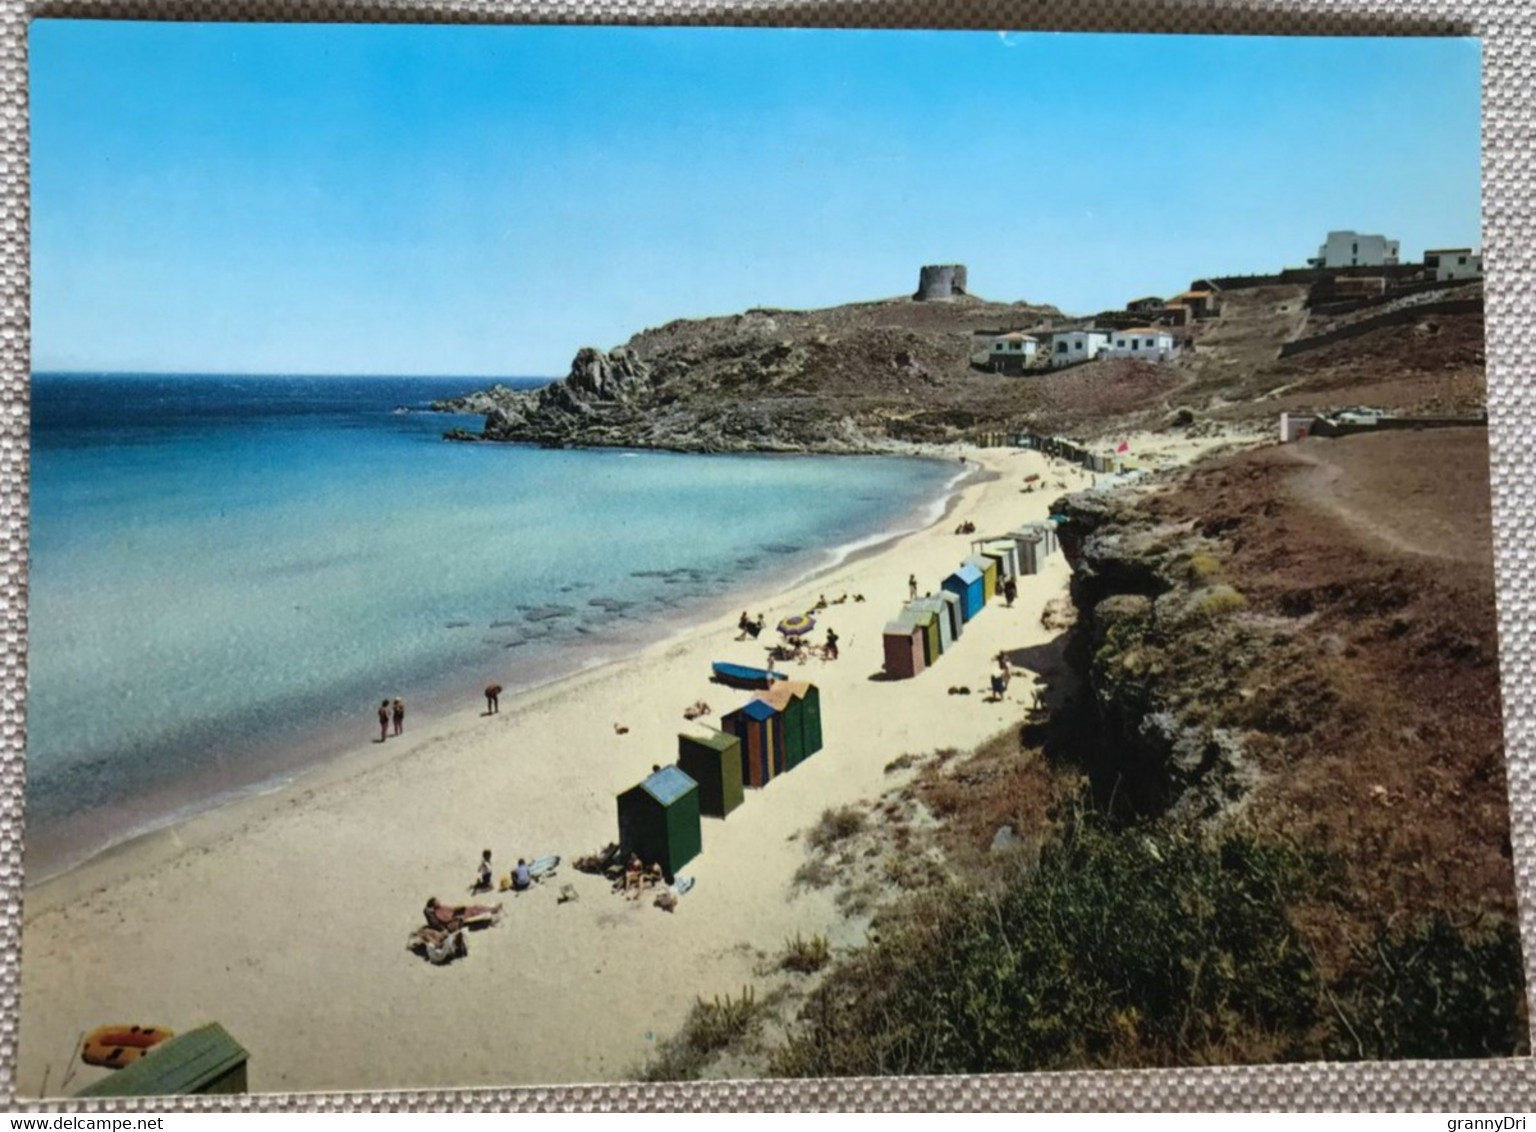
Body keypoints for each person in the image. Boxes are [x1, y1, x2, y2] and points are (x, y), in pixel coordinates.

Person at [424, 896, 501, 932]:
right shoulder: (438, 912)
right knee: (474, 912)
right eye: (437, 901)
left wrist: (459, 907)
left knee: (475, 907)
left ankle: (491, 909)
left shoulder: (441, 908)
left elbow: (452, 909)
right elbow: (447, 919)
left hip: (457, 914)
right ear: (434, 904)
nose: (439, 902)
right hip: (455, 920)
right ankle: (492, 910)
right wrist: (457, 916)